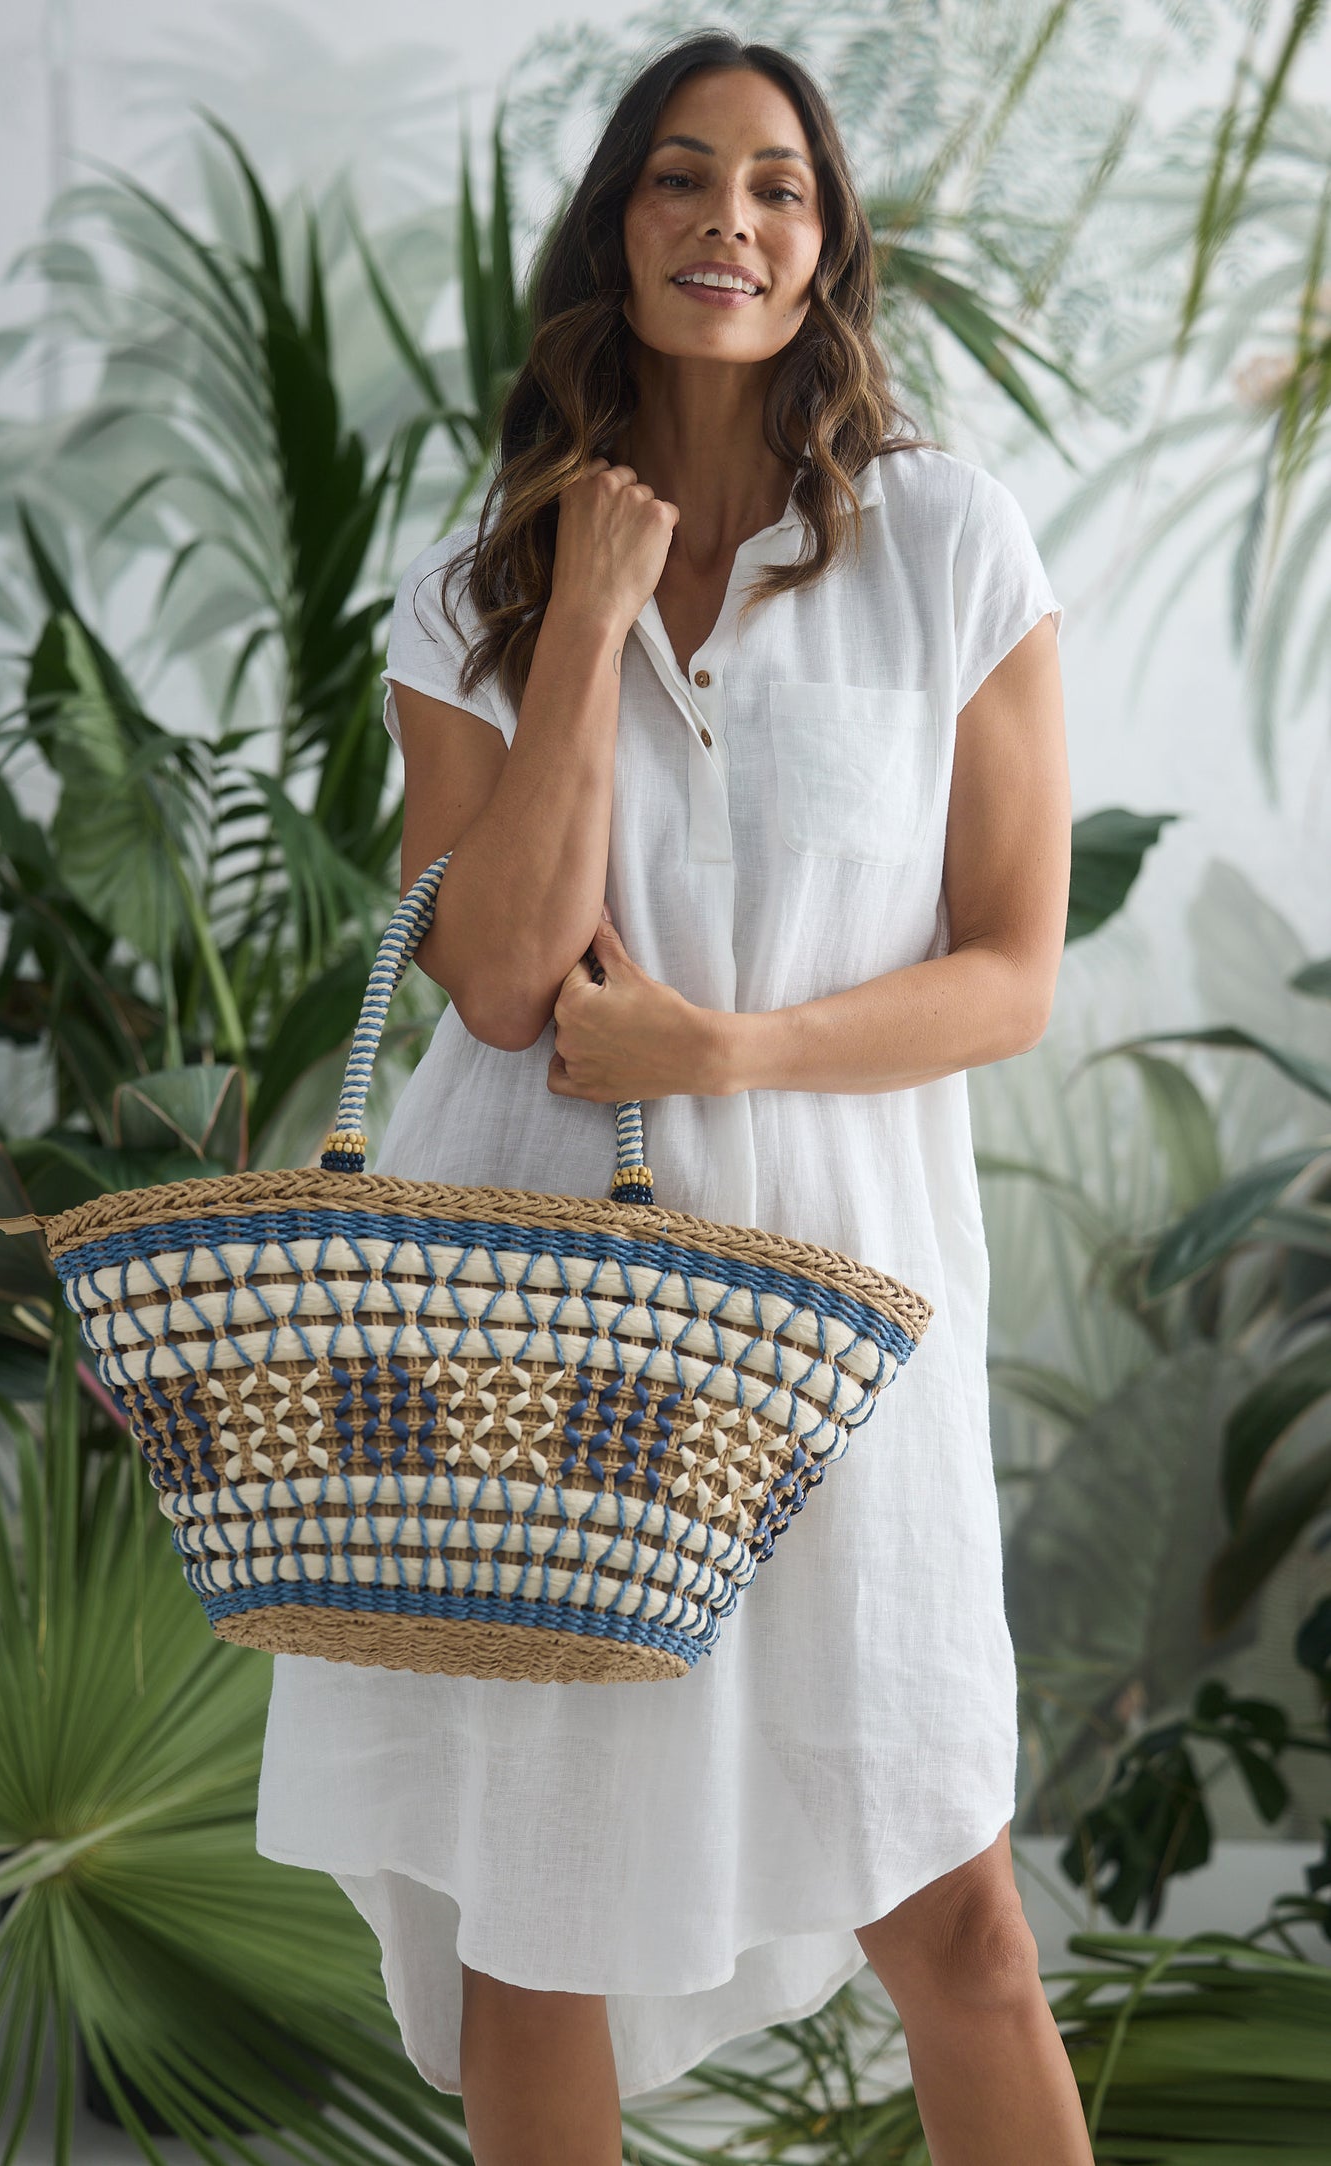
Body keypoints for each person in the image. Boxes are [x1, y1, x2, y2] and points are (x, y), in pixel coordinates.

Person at [256, 29, 1090, 2166]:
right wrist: (589, 618)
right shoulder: (479, 587)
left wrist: (729, 1050)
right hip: (543, 1308)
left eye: (782, 189)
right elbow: (512, 977)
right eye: (683, 180)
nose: (732, 220)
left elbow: (1010, 967)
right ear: (616, 226)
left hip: (848, 1310)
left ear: (827, 252)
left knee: (959, 1918)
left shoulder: (948, 546)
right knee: (533, 1931)